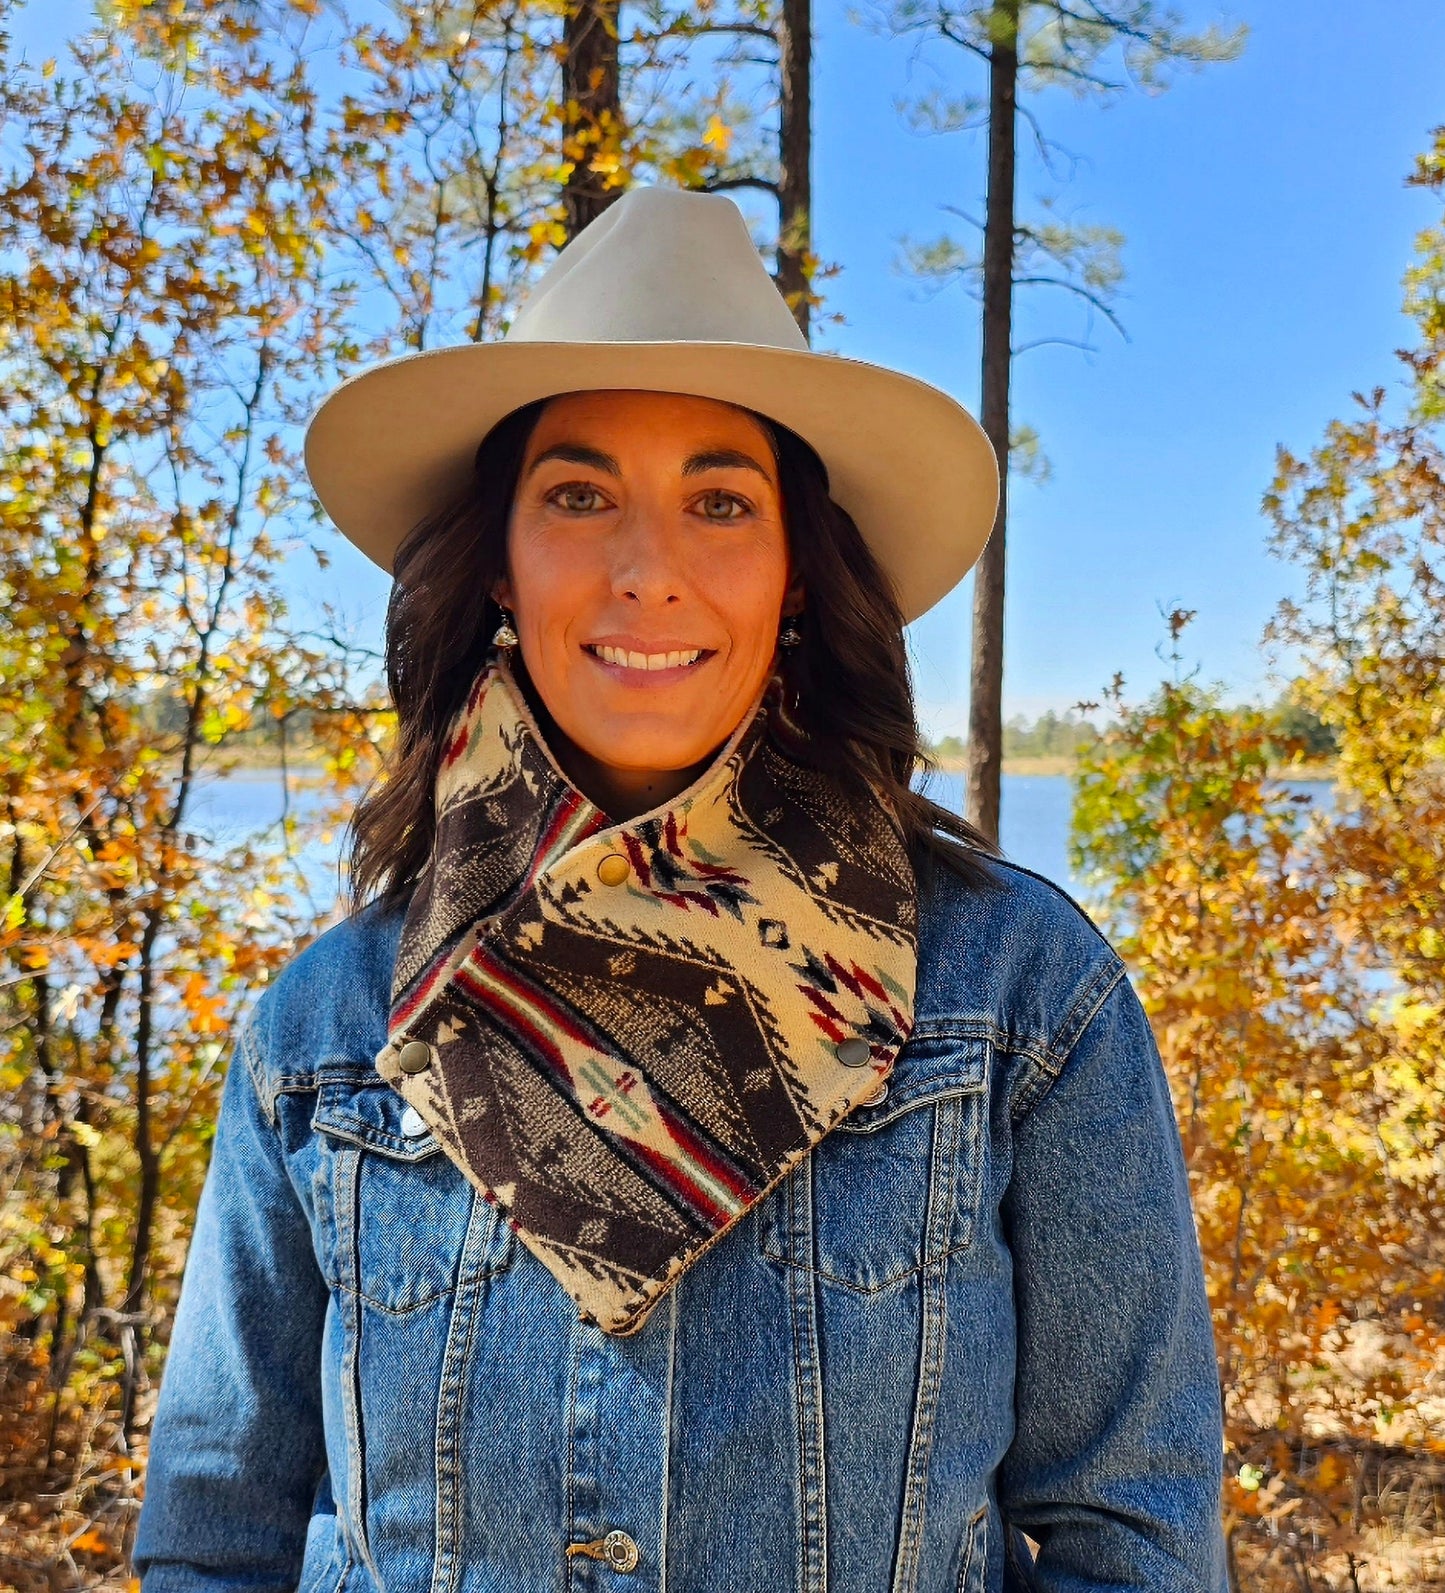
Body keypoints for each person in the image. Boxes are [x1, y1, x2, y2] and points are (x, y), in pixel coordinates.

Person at [132, 185, 1227, 1593]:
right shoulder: (325, 1032)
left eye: (720, 501)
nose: (648, 570)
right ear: (500, 574)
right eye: (578, 495)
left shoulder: (1016, 996)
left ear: (790, 577)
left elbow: (1132, 1537)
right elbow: (216, 1537)